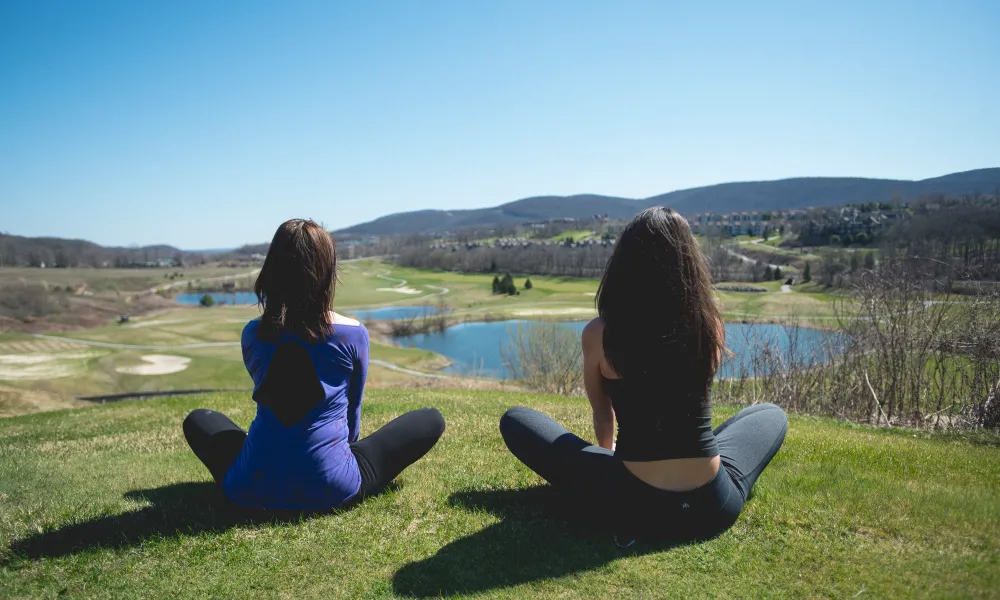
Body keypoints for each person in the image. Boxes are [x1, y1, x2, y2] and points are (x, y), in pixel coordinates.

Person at [499, 207, 788, 540]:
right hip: (712, 506)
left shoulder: (600, 334)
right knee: (770, 414)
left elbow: (602, 415)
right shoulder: (710, 327)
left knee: (516, 420)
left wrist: (606, 460)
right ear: (690, 265)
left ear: (625, 265)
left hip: (630, 503)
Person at [183, 219, 445, 510]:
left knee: (199, 419)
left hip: (247, 484)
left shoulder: (252, 334)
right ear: (326, 273)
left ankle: (265, 454)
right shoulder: (352, 334)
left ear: (272, 269)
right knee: (430, 419)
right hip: (330, 485)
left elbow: (273, 392)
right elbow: (352, 412)